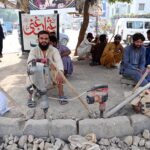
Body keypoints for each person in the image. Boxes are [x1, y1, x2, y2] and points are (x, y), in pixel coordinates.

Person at [27, 30, 68, 108]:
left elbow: (59, 61)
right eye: (41, 38)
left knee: (59, 71)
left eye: (46, 39)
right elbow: (30, 61)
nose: (44, 41)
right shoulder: (34, 50)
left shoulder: (54, 50)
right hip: (38, 73)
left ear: (49, 40)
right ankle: (31, 97)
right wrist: (41, 61)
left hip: (50, 73)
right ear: (38, 40)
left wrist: (61, 71)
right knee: (31, 70)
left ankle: (61, 94)